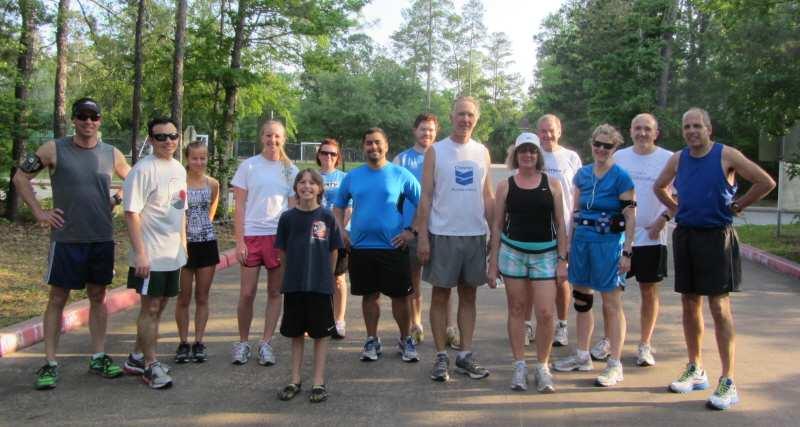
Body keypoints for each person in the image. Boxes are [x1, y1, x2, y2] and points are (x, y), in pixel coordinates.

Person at [654, 107, 775, 410]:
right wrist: (676, 207)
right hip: (686, 236)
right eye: (686, 127)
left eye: (697, 125)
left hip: (717, 237)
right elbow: (659, 186)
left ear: (709, 129)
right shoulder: (678, 158)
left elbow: (765, 182)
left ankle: (729, 380)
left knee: (719, 307)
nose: (692, 131)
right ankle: (696, 368)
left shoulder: (726, 155)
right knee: (689, 303)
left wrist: (739, 205)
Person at [13, 97, 130, 390]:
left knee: (98, 296)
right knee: (57, 298)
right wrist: (40, 212)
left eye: (94, 117)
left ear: (100, 121)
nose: (88, 122)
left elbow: (135, 180)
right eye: (82, 116)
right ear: (74, 119)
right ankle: (50, 362)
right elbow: (20, 177)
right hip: (66, 238)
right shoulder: (54, 149)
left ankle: (99, 356)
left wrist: (116, 199)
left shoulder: (112, 153)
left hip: (101, 237)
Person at [416, 96, 494, 382]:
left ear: (477, 118)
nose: (465, 119)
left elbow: (487, 195)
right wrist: (422, 235)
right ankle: (440, 356)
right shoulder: (436, 151)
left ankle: (464, 355)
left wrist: (494, 233)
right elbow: (425, 196)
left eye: (470, 115)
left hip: (474, 234)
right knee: (440, 295)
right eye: (461, 114)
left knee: (469, 295)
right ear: (452, 116)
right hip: (443, 234)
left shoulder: (482, 152)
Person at [553, 124, 635, 388]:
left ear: (615, 148)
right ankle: (582, 354)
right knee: (582, 299)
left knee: (611, 303)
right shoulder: (582, 175)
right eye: (597, 144)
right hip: (582, 244)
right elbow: (573, 212)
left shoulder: (621, 177)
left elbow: (630, 216)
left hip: (608, 244)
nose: (600, 149)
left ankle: (615, 364)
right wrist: (565, 248)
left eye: (607, 146)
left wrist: (628, 252)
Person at [589, 113, 672, 366]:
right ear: (631, 130)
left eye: (648, 129)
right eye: (638, 128)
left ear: (656, 133)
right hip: (617, 238)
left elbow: (681, 196)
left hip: (651, 237)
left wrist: (663, 219)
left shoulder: (669, 159)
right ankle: (608, 339)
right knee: (611, 292)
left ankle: (645, 344)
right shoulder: (619, 157)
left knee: (649, 291)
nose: (642, 133)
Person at [488, 133, 568, 393]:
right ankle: (519, 365)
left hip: (546, 255)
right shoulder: (506, 185)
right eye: (523, 150)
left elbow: (561, 225)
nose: (528, 155)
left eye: (532, 151)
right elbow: (497, 225)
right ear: (516, 154)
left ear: (538, 155)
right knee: (518, 310)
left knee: (545, 313)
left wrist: (562, 260)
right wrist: (493, 261)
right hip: (513, 254)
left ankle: (542, 366)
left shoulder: (552, 184)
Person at [334, 128, 420, 364]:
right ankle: (372, 339)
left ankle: (405, 339)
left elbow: (424, 204)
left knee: (400, 298)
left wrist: (411, 231)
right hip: (361, 248)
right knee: (369, 297)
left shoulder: (400, 174)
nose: (374, 147)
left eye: (378, 143)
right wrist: (341, 230)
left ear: (386, 145)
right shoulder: (353, 177)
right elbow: (339, 206)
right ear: (363, 147)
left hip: (394, 247)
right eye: (369, 143)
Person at [122, 117, 188, 389]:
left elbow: (178, 209)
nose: (168, 141)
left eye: (172, 135)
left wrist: (183, 245)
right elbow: (130, 213)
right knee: (150, 307)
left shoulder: (178, 168)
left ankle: (137, 357)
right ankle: (150, 365)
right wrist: (140, 254)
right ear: (150, 140)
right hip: (150, 253)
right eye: (161, 137)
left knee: (160, 305)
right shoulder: (142, 170)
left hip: (172, 254)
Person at [230, 120, 298, 366]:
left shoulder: (290, 170)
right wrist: (239, 241)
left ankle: (266, 342)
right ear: (262, 138)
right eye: (268, 136)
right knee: (247, 293)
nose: (273, 140)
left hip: (277, 239)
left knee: (274, 292)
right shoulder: (248, 167)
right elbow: (238, 206)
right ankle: (243, 342)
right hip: (251, 236)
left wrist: (289, 244)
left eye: (277, 136)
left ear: (284, 139)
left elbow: (292, 211)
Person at [275, 169, 343, 403]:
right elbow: (282, 253)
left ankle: (318, 381)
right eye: (302, 182)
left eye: (312, 183)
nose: (307, 186)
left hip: (320, 285)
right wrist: (288, 278)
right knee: (295, 333)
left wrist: (328, 276)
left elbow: (334, 250)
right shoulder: (287, 218)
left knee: (320, 335)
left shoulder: (327, 217)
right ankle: (294, 379)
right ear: (295, 188)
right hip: (294, 285)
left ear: (320, 188)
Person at [393, 113, 459, 348]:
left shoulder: (443, 155)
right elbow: (394, 197)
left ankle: (449, 327)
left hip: (440, 227)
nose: (427, 133)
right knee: (413, 280)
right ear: (414, 130)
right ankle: (416, 324)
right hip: (411, 230)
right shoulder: (402, 160)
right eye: (423, 129)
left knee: (444, 281)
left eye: (431, 130)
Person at [532, 114, 582, 347]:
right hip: (536, 229)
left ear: (559, 131)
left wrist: (575, 227)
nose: (547, 135)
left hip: (564, 229)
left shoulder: (571, 157)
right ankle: (529, 325)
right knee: (533, 279)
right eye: (543, 131)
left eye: (551, 130)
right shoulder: (531, 154)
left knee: (562, 278)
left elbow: (579, 195)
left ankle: (562, 325)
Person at [174, 141, 220, 363]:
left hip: (207, 244)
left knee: (202, 296)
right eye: (194, 158)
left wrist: (201, 229)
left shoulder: (213, 184)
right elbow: (174, 214)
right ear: (187, 158)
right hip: (183, 245)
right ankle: (183, 342)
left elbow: (211, 211)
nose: (199, 162)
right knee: (183, 297)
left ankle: (199, 341)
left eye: (203, 158)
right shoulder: (178, 183)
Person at [317, 138, 351, 339]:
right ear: (318, 155)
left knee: (338, 279)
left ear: (338, 157)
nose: (328, 156)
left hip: (338, 236)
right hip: (315, 236)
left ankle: (339, 321)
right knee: (314, 278)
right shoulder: (310, 177)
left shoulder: (345, 178)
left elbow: (349, 207)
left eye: (333, 154)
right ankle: (317, 319)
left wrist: (340, 231)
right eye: (324, 152)